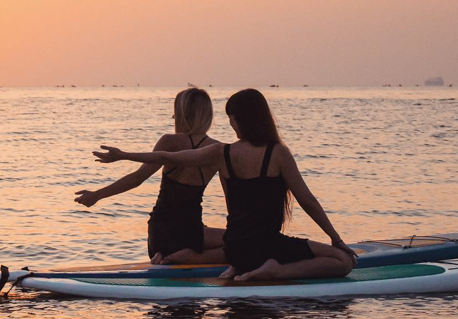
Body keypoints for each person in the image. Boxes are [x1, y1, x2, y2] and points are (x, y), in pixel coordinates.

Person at [93, 88, 356, 281]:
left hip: (235, 248)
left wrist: (124, 155)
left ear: (244, 120)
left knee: (234, 241)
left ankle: (229, 264)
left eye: (232, 118)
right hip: (259, 247)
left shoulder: (222, 152)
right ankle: (276, 271)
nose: (231, 124)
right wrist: (336, 239)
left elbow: (167, 158)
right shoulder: (277, 153)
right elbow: (307, 200)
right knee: (342, 261)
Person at [75, 87, 225, 264]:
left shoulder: (170, 141)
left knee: (214, 237)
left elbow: (137, 178)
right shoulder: (218, 150)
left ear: (181, 113)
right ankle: (189, 256)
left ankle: (167, 254)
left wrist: (96, 195)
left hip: (160, 233)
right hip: (190, 231)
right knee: (241, 243)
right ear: (207, 115)